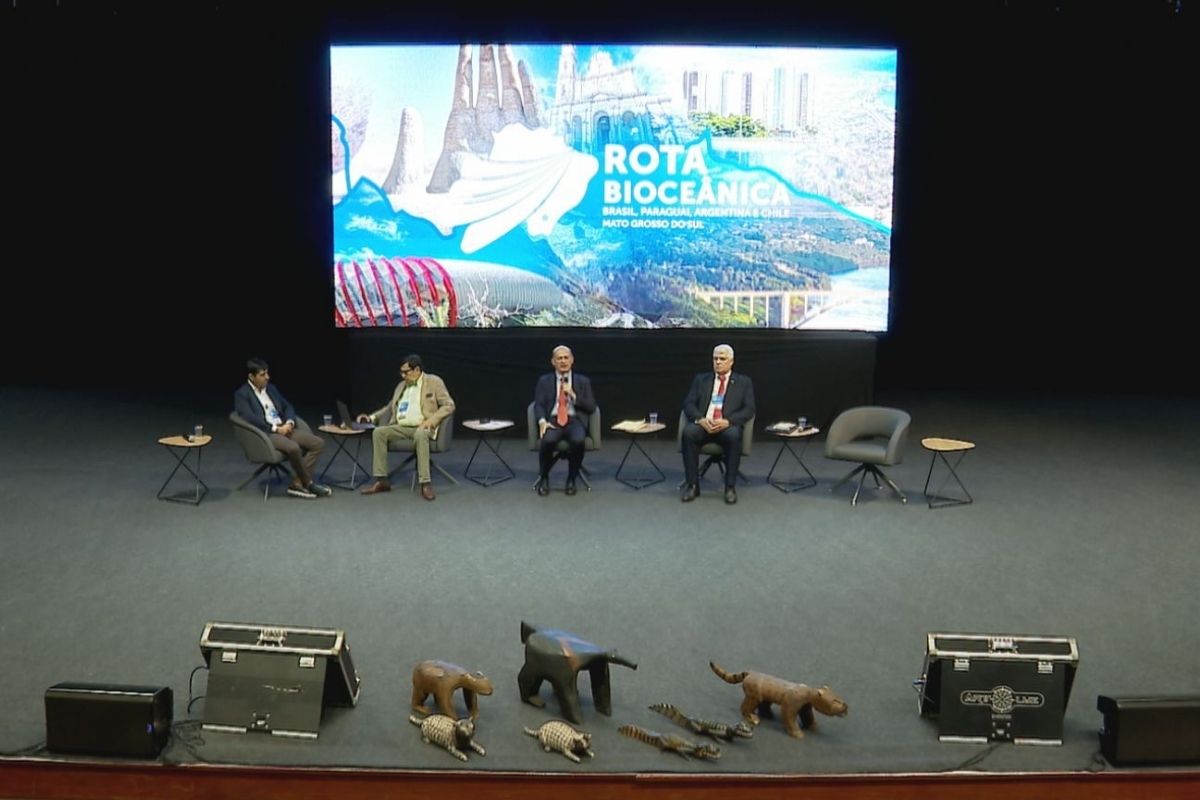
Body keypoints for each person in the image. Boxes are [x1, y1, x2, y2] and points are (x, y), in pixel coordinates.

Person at [358, 355, 455, 501]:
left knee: (421, 434)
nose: (403, 376)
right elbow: (390, 406)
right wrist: (371, 418)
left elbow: (449, 405)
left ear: (417, 370)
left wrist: (432, 421)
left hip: (423, 426)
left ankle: (425, 483)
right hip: (401, 426)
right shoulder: (401, 386)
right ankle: (382, 480)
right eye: (401, 372)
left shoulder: (434, 382)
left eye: (406, 372)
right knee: (379, 432)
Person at [233, 357, 331, 499]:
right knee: (293, 447)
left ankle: (297, 483)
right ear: (251, 376)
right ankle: (309, 484)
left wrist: (290, 422)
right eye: (262, 375)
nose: (267, 377)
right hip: (266, 433)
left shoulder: (271, 389)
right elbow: (250, 419)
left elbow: (287, 406)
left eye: (267, 373)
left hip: (284, 427)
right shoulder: (242, 394)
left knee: (318, 443)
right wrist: (275, 429)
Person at [680, 344, 756, 505]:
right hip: (704, 424)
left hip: (727, 426)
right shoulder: (701, 379)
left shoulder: (743, 382)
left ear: (731, 361)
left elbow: (749, 408)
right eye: (715, 359)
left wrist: (728, 422)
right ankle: (692, 485)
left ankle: (730, 487)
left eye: (722, 359)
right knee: (688, 433)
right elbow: (689, 403)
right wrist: (700, 419)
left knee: (734, 435)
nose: (718, 362)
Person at [533, 345, 597, 496]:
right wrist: (542, 421)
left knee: (578, 440)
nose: (563, 361)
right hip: (553, 420)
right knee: (547, 441)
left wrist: (574, 396)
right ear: (553, 362)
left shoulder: (583, 381)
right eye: (559, 358)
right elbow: (538, 405)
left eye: (566, 358)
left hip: (574, 420)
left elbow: (592, 407)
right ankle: (544, 477)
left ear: (572, 360)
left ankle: (571, 478)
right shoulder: (544, 381)